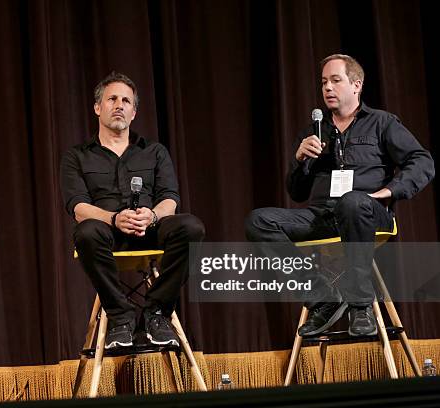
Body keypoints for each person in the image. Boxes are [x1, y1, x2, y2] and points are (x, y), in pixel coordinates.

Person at [245, 54, 434, 337]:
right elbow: (296, 193)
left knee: (353, 201)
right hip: (322, 215)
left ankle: (361, 306)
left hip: (367, 213)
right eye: (324, 82)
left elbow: (422, 161)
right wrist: (298, 161)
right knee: (259, 220)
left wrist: (389, 190)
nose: (328, 88)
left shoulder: (381, 123)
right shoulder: (313, 132)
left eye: (335, 80)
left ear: (356, 85)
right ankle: (323, 298)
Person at [60, 72, 205, 349]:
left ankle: (157, 312)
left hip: (149, 229)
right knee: (86, 231)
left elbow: (169, 199)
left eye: (126, 100)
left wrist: (152, 215)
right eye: (112, 98)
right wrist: (114, 218)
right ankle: (121, 317)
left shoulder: (155, 151)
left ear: (134, 112)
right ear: (97, 107)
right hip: (106, 234)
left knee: (191, 227)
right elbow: (77, 207)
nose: (119, 105)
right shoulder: (76, 156)